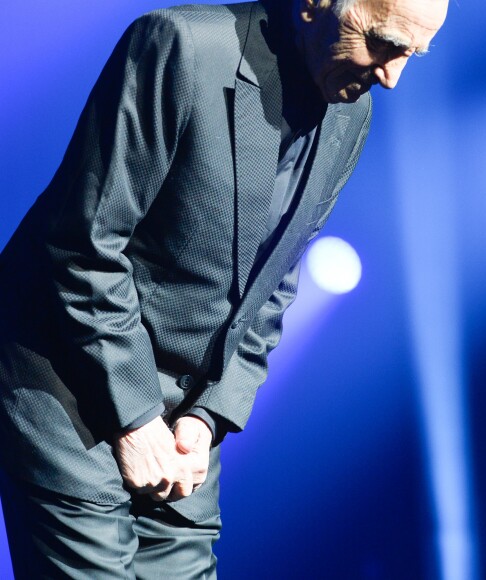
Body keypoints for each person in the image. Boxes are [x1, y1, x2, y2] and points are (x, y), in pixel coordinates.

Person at [0, 0, 448, 577]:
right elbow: (82, 247)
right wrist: (135, 419)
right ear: (314, 6)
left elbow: (275, 284)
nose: (391, 76)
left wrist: (209, 415)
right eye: (384, 43)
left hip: (184, 417)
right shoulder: (183, 46)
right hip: (67, 385)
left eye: (411, 54)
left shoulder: (349, 114)